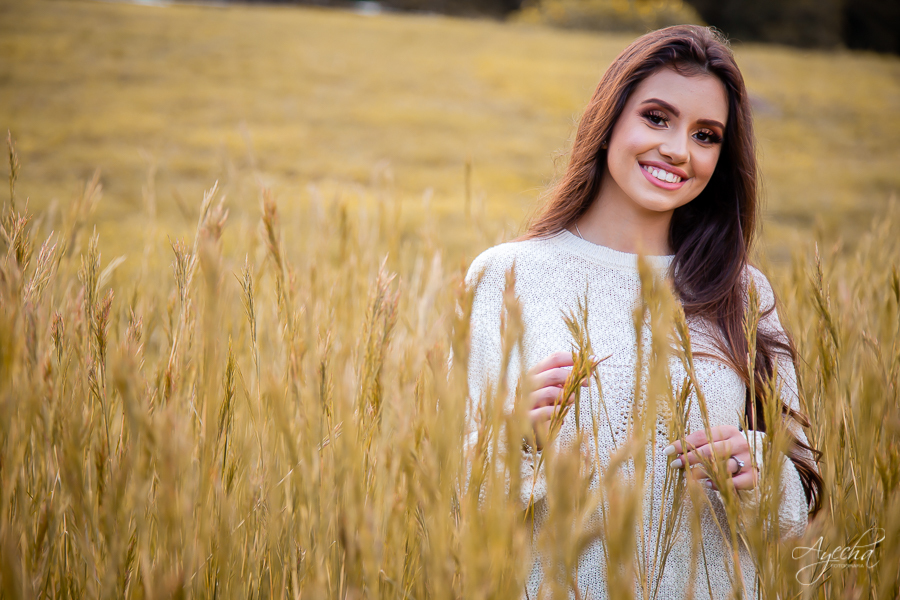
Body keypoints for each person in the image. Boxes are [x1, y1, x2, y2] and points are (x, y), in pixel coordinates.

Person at [463, 24, 823, 599]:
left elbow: (796, 507)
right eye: (657, 118)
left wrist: (756, 469)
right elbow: (464, 499)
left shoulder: (744, 292)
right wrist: (514, 439)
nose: (679, 150)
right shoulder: (505, 276)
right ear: (609, 120)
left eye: (706, 135)